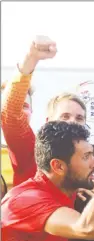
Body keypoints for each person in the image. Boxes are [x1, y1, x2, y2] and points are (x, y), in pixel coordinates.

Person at [1, 36, 88, 188]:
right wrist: (31, 59)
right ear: (48, 122)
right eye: (65, 116)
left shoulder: (88, 160)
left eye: (79, 118)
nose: (73, 121)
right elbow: (11, 114)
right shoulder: (33, 150)